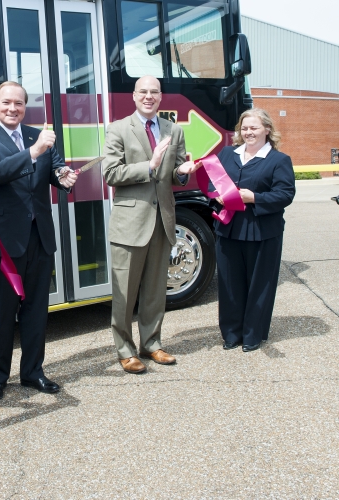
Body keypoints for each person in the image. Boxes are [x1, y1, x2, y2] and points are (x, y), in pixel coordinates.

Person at [0, 81, 78, 401]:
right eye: (7, 102)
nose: (13, 108)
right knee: (1, 313)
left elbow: (55, 171)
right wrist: (36, 150)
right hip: (2, 242)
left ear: (25, 106)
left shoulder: (38, 135)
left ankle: (32, 372)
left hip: (39, 237)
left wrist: (64, 178)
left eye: (19, 103)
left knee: (36, 311)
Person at [102, 75, 200, 374]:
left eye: (154, 92)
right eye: (143, 91)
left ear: (160, 97)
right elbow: (110, 173)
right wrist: (150, 165)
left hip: (162, 220)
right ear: (134, 96)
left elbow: (175, 176)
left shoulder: (174, 129)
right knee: (125, 292)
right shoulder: (118, 128)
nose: (148, 96)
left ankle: (152, 344)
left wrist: (182, 172)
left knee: (156, 290)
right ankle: (125, 350)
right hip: (130, 222)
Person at [214, 108, 295, 352]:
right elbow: (211, 179)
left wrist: (255, 198)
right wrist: (216, 195)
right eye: (245, 128)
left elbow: (285, 194)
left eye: (254, 128)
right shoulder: (227, 153)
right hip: (228, 229)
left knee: (259, 284)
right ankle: (231, 333)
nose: (248, 132)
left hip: (262, 230)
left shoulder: (279, 160)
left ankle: (252, 334)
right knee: (229, 283)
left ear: (267, 130)